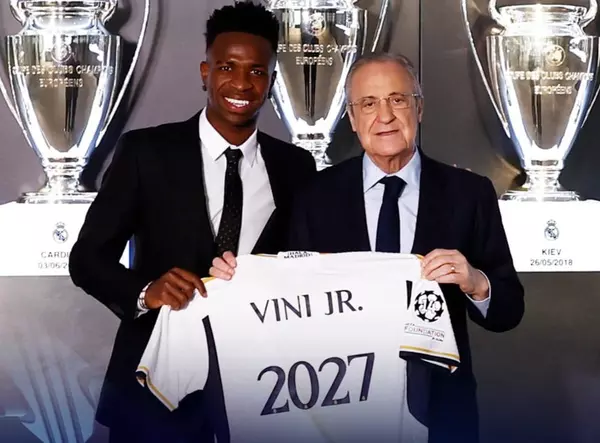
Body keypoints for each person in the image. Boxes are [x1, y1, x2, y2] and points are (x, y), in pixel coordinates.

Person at [210, 52, 525, 443]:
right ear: (353, 118)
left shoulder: (469, 194)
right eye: (369, 104)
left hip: (441, 411)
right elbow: (279, 288)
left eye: (397, 99)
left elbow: (509, 310)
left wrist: (476, 283)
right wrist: (236, 278)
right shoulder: (314, 196)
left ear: (419, 108)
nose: (385, 116)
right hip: (340, 414)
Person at [68, 2, 316, 442]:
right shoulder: (146, 152)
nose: (241, 83)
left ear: (272, 81)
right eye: (227, 67)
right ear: (205, 72)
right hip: (154, 387)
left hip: (260, 388)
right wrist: (146, 291)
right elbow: (86, 259)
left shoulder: (296, 167)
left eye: (257, 71)